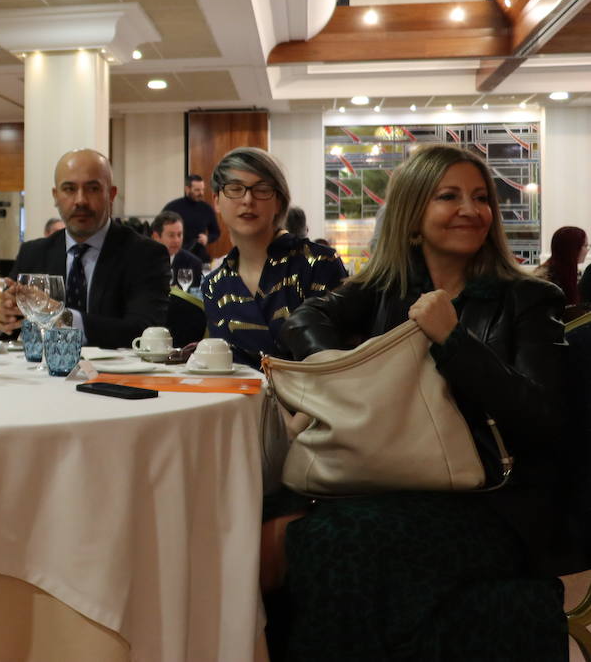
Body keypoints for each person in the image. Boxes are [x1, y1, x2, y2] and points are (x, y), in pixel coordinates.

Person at [276, 143, 568, 661]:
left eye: (481, 198)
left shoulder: (528, 298)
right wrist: (350, 381)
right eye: (448, 196)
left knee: (339, 545)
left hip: (496, 502)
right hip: (393, 480)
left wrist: (454, 341)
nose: (470, 209)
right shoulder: (384, 289)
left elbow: (545, 421)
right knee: (302, 536)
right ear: (413, 216)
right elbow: (304, 320)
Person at [0, 149, 169, 348]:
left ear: (111, 194)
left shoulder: (145, 254)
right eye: (69, 189)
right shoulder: (33, 254)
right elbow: (12, 332)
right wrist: (4, 319)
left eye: (93, 188)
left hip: (116, 376)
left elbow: (145, 332)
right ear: (55, 196)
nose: (80, 200)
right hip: (43, 376)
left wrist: (61, 316)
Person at [201, 148, 346, 370]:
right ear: (217, 202)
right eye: (235, 189)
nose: (248, 200)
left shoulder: (317, 263)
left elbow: (340, 359)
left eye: (262, 190)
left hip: (314, 402)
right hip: (242, 403)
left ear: (279, 201)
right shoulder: (215, 284)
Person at [533, 224, 586, 318]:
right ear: (573, 249)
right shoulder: (547, 280)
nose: (587, 250)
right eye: (585, 246)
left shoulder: (566, 271)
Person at [163, 173, 219, 260]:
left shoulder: (206, 209)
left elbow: (216, 232)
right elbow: (159, 230)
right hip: (175, 255)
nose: (201, 193)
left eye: (202, 190)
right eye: (197, 190)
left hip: (199, 256)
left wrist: (207, 238)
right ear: (187, 189)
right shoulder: (172, 207)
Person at [150, 210, 204, 290]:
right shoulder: (143, 261)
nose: (177, 240)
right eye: (171, 235)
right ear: (156, 237)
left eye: (179, 235)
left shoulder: (193, 264)